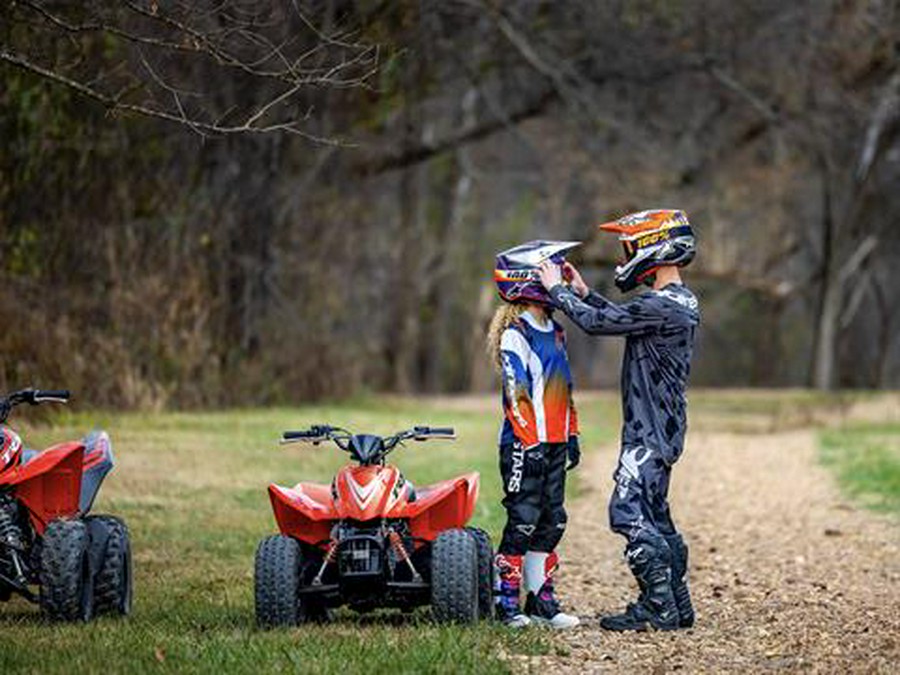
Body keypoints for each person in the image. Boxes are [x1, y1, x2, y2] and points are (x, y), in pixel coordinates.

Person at [537, 209, 699, 631]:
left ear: (654, 249)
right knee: (655, 514)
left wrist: (556, 291)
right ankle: (678, 606)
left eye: (631, 247)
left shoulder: (661, 305)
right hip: (661, 428)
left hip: (648, 431)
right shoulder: (677, 302)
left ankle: (658, 607)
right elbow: (619, 317)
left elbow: (596, 325)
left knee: (627, 511)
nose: (626, 255)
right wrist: (583, 292)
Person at [488, 240, 582, 629]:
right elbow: (516, 393)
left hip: (555, 443)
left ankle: (541, 602)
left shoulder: (556, 332)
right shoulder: (516, 333)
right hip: (525, 445)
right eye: (552, 270)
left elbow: (565, 387)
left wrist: (571, 433)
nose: (558, 275)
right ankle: (505, 601)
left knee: (552, 521)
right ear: (529, 280)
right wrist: (531, 442)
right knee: (523, 519)